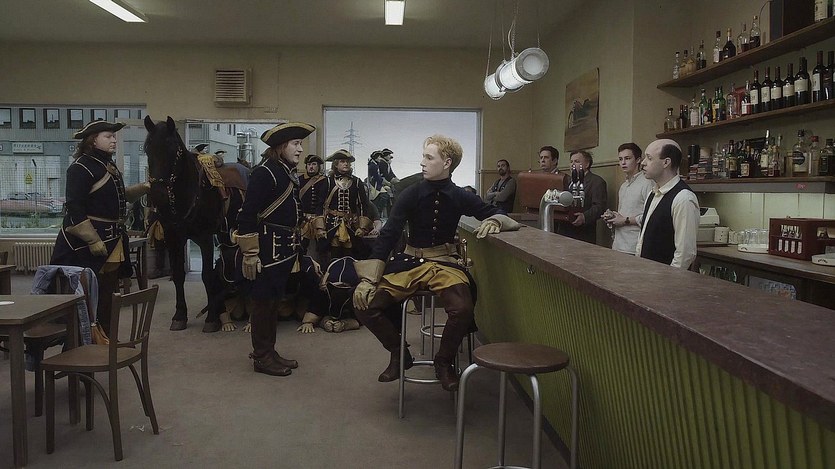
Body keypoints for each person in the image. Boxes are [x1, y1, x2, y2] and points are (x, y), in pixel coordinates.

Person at [352, 135, 520, 392]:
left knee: (462, 308)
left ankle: (444, 362)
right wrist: (368, 278)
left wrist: (496, 220)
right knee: (365, 305)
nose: (422, 162)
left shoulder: (460, 195)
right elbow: (390, 233)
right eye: (424, 156)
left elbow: (496, 212)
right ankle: (399, 353)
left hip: (444, 263)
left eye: (429, 158)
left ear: (447, 163)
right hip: (408, 262)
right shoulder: (410, 193)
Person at [50, 120, 150, 333]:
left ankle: (106, 337)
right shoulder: (80, 168)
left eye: (114, 136)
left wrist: (144, 187)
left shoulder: (107, 165)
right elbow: (74, 207)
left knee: (108, 292)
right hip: (86, 244)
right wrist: (92, 239)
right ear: (92, 141)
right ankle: (85, 339)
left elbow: (119, 196)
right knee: (85, 294)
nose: (114, 140)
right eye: (108, 136)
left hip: (113, 240)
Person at [233, 121, 315, 376]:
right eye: (296, 144)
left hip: (282, 250)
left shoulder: (283, 171)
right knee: (263, 304)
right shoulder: (265, 172)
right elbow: (247, 215)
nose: (300, 149)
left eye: (300, 144)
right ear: (281, 147)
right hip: (266, 251)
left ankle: (270, 351)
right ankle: (261, 357)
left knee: (273, 303)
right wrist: (250, 253)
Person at [635, 139, 699, 269]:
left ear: (666, 162)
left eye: (649, 158)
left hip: (666, 278)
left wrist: (670, 279)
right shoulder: (652, 193)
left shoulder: (683, 198)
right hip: (646, 273)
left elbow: (685, 253)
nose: (643, 163)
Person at [319, 149, 374, 265]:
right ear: (336, 164)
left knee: (350, 254)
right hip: (332, 224)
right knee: (333, 253)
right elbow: (320, 204)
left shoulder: (356, 182)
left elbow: (363, 205)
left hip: (351, 224)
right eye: (342, 161)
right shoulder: (328, 181)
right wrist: (320, 227)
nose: (346, 164)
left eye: (348, 162)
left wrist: (362, 227)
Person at [601, 143, 654, 254]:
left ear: (638, 160)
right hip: (618, 244)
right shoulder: (623, 186)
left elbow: (651, 216)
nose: (623, 162)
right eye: (620, 159)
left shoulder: (647, 183)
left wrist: (625, 220)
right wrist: (612, 216)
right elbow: (625, 213)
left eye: (627, 158)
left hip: (634, 245)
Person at [557, 150, 608, 244]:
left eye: (577, 161)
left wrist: (584, 217)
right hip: (564, 230)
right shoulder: (567, 180)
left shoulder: (597, 181)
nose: (572, 164)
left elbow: (600, 207)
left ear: (587, 164)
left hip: (583, 233)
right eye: (571, 161)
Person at [298, 154, 327, 253]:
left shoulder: (324, 180)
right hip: (304, 219)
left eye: (314, 164)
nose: (311, 167)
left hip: (319, 219)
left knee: (322, 247)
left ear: (318, 166)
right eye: (309, 164)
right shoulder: (300, 180)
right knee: (301, 247)